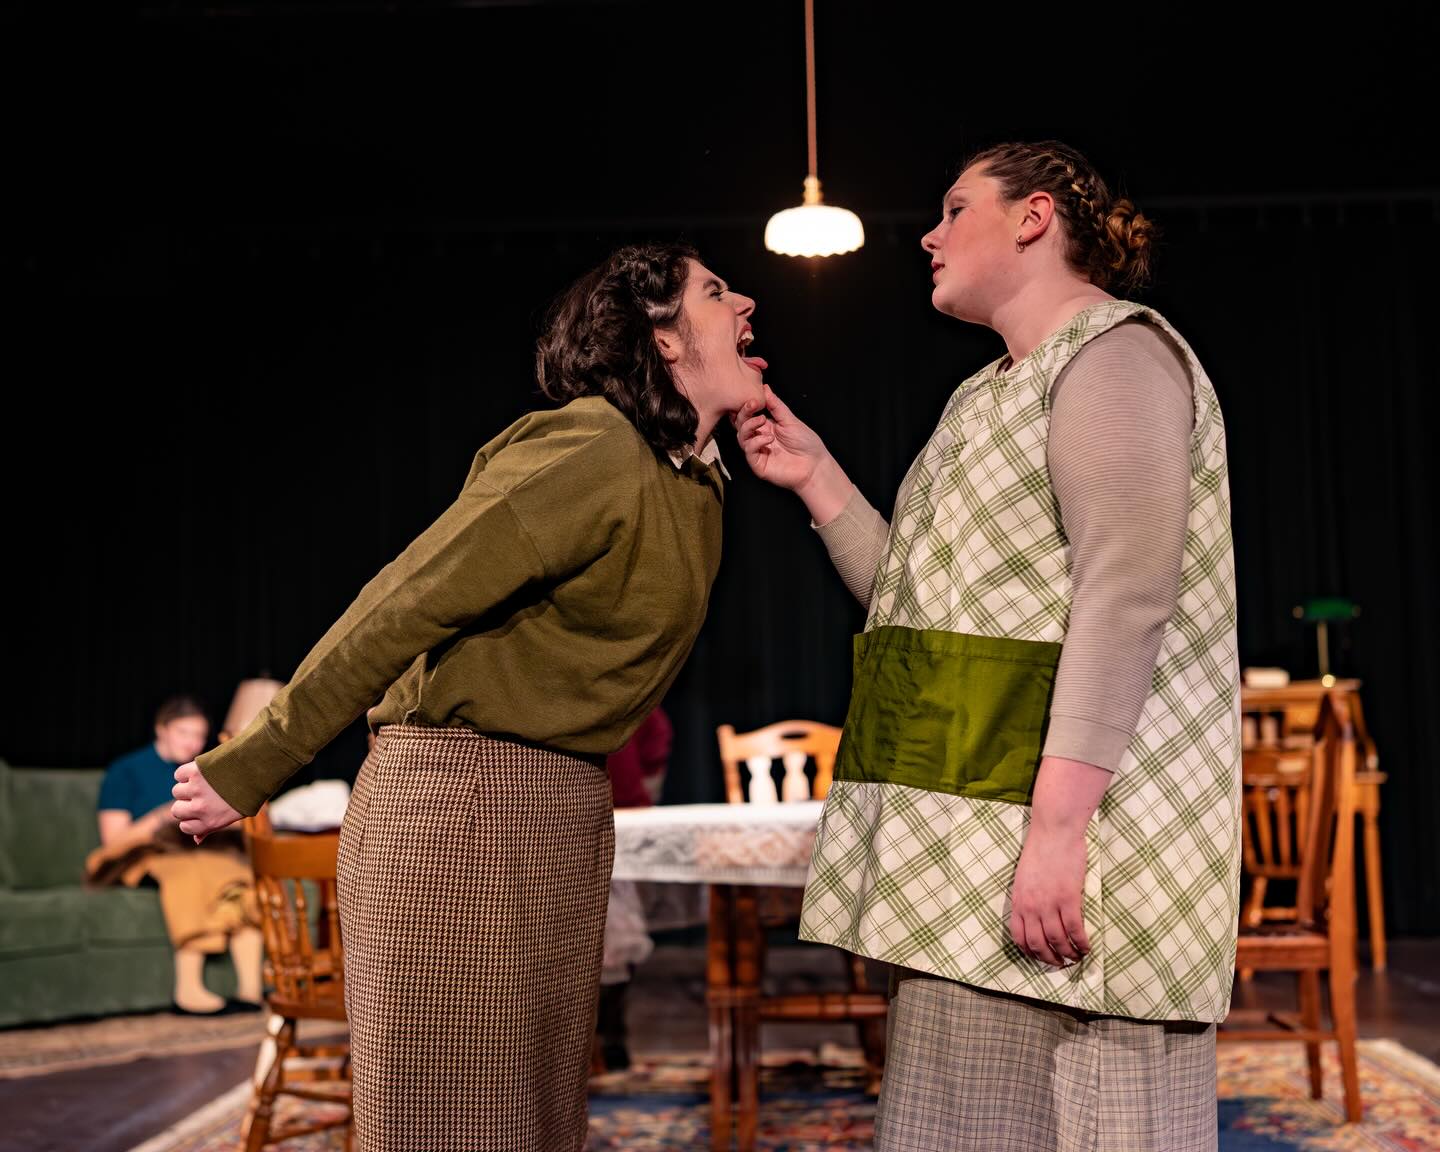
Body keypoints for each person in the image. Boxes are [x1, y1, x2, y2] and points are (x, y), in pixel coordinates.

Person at [170, 243, 767, 1151]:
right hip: (461, 805)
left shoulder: (693, 482)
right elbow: (408, 598)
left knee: (536, 1122)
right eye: (716, 292)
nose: (746, 303)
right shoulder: (593, 445)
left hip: (563, 808)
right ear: (663, 339)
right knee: (452, 1122)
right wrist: (255, 760)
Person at [736, 140, 1240, 1151]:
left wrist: (1057, 832)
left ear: (1033, 217)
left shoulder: (1115, 356)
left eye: (954, 209)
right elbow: (922, 610)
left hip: (1084, 843)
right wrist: (819, 479)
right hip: (969, 841)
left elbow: (1126, 599)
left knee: (1092, 1121)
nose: (928, 236)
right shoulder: (985, 393)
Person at [90, 695, 262, 1015]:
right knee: (192, 874)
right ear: (161, 729)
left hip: (202, 852)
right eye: (184, 733)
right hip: (146, 855)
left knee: (238, 876)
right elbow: (113, 842)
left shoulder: (206, 770)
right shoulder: (126, 770)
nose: (192, 742)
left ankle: (250, 990)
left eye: (199, 735)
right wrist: (163, 816)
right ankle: (188, 989)